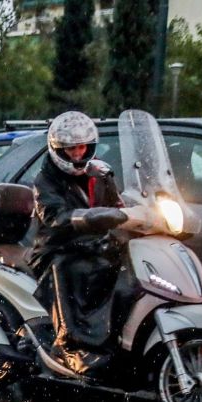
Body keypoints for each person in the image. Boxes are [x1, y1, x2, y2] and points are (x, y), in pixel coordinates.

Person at [26, 111, 129, 376]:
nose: (77, 153)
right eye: (71, 148)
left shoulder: (101, 173)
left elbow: (117, 204)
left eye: (82, 147)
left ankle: (115, 338)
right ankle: (68, 346)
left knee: (126, 267)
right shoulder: (45, 180)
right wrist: (89, 217)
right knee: (69, 269)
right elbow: (54, 216)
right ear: (58, 149)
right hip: (56, 248)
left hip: (93, 244)